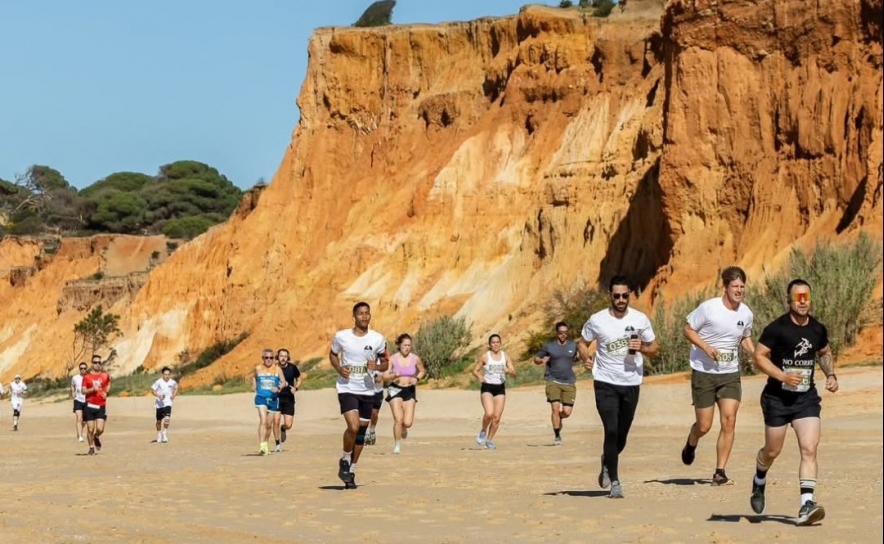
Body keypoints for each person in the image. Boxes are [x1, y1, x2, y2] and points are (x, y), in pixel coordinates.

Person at [749, 279, 838, 526]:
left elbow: (824, 352)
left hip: (806, 399)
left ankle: (806, 505)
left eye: (805, 297)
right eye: (797, 297)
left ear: (810, 299)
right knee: (772, 451)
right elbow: (759, 356)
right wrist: (782, 376)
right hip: (777, 399)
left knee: (809, 447)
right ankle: (759, 480)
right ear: (788, 300)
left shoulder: (817, 329)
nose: (802, 301)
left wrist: (830, 374)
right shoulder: (777, 328)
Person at [578, 275, 659, 499]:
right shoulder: (597, 320)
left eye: (625, 295)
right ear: (610, 296)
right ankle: (615, 481)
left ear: (629, 295)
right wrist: (586, 357)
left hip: (631, 382)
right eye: (617, 296)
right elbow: (582, 343)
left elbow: (655, 348)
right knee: (611, 430)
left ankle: (607, 460)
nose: (621, 299)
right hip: (605, 382)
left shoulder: (640, 319)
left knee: (621, 435)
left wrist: (642, 346)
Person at [680, 266, 755, 485]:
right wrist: (705, 347)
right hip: (704, 372)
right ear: (725, 287)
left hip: (730, 373)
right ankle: (692, 442)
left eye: (742, 286)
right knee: (704, 426)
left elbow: (744, 338)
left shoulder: (746, 313)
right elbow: (688, 329)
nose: (739, 290)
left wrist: (755, 353)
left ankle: (719, 472)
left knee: (729, 420)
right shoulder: (709, 308)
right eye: (735, 286)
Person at [329, 301, 388, 489]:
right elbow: (332, 354)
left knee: (361, 431)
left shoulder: (377, 339)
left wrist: (378, 367)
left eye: (367, 313)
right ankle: (345, 459)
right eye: (361, 313)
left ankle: (351, 471)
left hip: (368, 390)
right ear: (354, 317)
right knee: (353, 426)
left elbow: (386, 361)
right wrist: (339, 368)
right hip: (347, 387)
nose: (365, 316)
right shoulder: (342, 337)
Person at [534, 321, 580, 445]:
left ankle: (559, 418)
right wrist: (541, 360)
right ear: (556, 333)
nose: (563, 335)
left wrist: (580, 358)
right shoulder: (549, 347)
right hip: (552, 380)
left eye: (565, 333)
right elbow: (536, 358)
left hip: (569, 381)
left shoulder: (573, 346)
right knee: (555, 408)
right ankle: (557, 436)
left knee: (566, 412)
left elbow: (577, 357)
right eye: (560, 333)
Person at [471, 333, 517, 450]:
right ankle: (483, 430)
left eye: (497, 342)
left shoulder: (505, 357)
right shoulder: (485, 357)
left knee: (496, 417)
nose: (495, 344)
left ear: (500, 344)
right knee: (489, 413)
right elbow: (475, 370)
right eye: (493, 342)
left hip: (500, 388)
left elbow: (514, 374)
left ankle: (490, 440)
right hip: (487, 387)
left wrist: (508, 371)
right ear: (490, 345)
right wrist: (480, 377)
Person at [382, 333, 426, 454]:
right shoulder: (393, 359)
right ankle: (397, 445)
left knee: (407, 422)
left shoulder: (415, 358)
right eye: (404, 345)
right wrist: (393, 375)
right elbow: (385, 376)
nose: (407, 347)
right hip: (395, 389)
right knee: (398, 419)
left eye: (409, 345)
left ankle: (404, 428)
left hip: (409, 390)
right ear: (399, 346)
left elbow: (422, 371)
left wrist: (417, 379)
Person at [252, 348, 287, 455]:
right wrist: (254, 385)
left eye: (271, 358)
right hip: (261, 398)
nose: (269, 360)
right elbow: (254, 377)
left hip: (273, 399)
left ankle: (266, 444)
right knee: (263, 420)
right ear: (263, 358)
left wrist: (279, 388)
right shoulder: (258, 368)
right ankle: (262, 446)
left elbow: (284, 382)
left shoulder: (277, 369)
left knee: (268, 424)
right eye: (266, 358)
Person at [81, 355, 111, 455]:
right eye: (95, 362)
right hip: (89, 405)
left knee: (100, 429)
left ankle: (96, 436)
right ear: (92, 363)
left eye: (99, 362)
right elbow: (83, 391)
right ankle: (91, 447)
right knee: (90, 428)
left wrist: (106, 392)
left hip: (101, 405)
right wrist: (92, 389)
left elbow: (108, 384)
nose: (97, 364)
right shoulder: (87, 377)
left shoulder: (104, 375)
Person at [275, 348, 303, 452]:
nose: (283, 358)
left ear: (288, 357)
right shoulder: (274, 368)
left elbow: (299, 378)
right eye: (281, 356)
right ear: (278, 357)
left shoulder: (292, 368)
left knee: (288, 424)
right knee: (276, 420)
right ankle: (277, 444)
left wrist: (296, 388)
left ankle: (283, 429)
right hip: (276, 397)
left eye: (285, 356)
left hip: (289, 398)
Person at [151, 366, 178, 444]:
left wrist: (174, 395)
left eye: (168, 374)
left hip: (168, 402)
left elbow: (176, 387)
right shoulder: (158, 382)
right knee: (159, 421)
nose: (167, 376)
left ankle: (164, 433)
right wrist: (158, 395)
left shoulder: (172, 382)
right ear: (162, 374)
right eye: (165, 374)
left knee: (167, 418)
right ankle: (159, 434)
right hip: (159, 404)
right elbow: (152, 390)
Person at [71, 362, 88, 442]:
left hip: (87, 400)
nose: (83, 370)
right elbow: (72, 385)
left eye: (85, 368)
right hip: (78, 400)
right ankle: (80, 436)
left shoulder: (89, 377)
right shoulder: (75, 378)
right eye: (81, 368)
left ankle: (79, 432)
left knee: (85, 420)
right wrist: (73, 392)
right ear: (79, 369)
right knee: (79, 418)